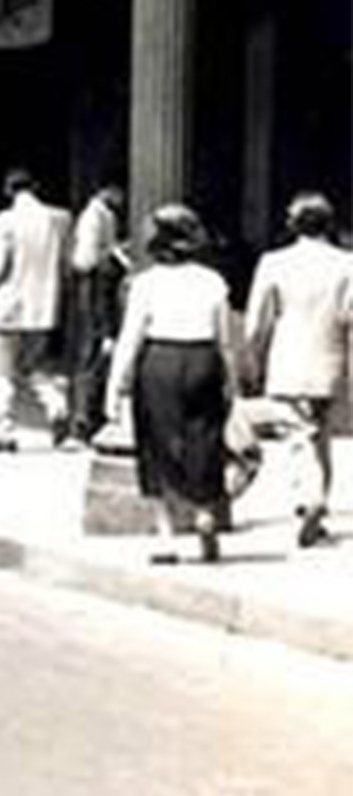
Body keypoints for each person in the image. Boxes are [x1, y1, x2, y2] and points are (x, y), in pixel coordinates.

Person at [113, 202, 240, 564]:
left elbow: (130, 338)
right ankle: (204, 513)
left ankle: (165, 536)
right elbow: (225, 340)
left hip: (160, 360)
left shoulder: (145, 283)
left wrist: (116, 385)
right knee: (206, 439)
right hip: (203, 358)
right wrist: (232, 381)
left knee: (157, 445)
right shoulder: (212, 281)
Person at [243, 192, 353, 550]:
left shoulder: (274, 263)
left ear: (293, 225)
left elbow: (257, 321)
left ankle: (310, 498)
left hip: (288, 359)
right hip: (330, 359)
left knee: (298, 437)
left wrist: (252, 358)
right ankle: (318, 505)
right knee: (319, 435)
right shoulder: (347, 264)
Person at [0, 167, 73, 451]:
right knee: (35, 366)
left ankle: (1, 430)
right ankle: (57, 406)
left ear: (8, 191)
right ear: (36, 187)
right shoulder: (60, 219)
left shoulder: (2, 221)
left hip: (7, 305)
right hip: (43, 307)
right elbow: (66, 263)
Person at [65, 177, 131, 444]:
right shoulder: (95, 217)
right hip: (94, 297)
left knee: (92, 361)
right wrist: (114, 256)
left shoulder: (103, 215)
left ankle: (86, 419)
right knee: (90, 360)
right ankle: (82, 421)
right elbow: (87, 261)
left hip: (96, 295)